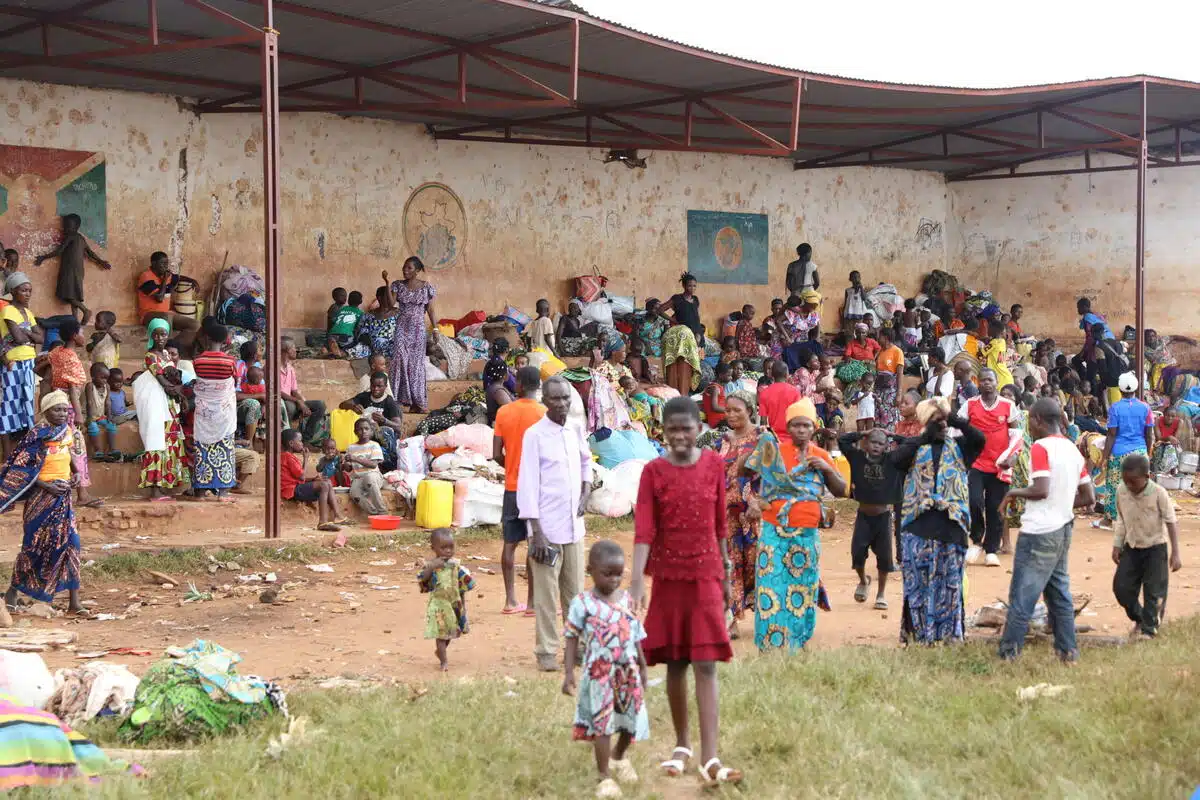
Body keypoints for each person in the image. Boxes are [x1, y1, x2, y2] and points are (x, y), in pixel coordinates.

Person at [629, 396, 740, 786]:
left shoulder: (713, 466)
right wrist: (635, 582)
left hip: (707, 573)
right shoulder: (652, 472)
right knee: (675, 662)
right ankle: (682, 744)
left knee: (706, 664)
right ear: (662, 431)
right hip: (669, 577)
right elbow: (644, 530)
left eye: (686, 428)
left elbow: (720, 525)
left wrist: (726, 574)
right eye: (672, 429)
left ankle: (710, 755)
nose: (679, 435)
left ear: (699, 430)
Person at [744, 398, 847, 651]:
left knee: (802, 586)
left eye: (806, 425)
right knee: (771, 585)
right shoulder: (774, 451)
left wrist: (827, 468)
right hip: (773, 532)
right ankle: (771, 644)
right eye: (796, 425)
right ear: (788, 428)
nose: (801, 430)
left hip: (806, 534)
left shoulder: (820, 456)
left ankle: (796, 640)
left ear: (814, 428)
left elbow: (841, 490)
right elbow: (748, 475)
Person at [996, 398, 1094, 662]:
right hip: (1063, 528)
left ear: (1038, 419)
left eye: (1030, 420)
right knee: (1058, 592)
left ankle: (1008, 654)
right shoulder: (1074, 450)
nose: (1028, 425)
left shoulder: (1040, 448)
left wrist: (1012, 493)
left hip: (1039, 531)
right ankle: (1068, 650)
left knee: (1022, 595)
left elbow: (1040, 489)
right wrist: (1061, 501)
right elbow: (1088, 497)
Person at [893, 398, 986, 644]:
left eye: (944, 421)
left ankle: (949, 636)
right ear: (924, 422)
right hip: (918, 525)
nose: (942, 425)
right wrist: (924, 437)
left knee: (951, 584)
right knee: (917, 585)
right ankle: (918, 635)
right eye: (936, 421)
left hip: (951, 525)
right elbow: (895, 462)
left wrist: (953, 417)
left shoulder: (959, 447)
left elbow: (980, 440)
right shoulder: (913, 445)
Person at [562, 540, 649, 799]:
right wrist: (568, 673)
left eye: (618, 574)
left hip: (627, 671)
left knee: (630, 720)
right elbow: (571, 637)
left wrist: (643, 666)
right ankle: (604, 777)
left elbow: (635, 634)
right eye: (607, 574)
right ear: (590, 571)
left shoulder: (627, 600)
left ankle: (618, 757)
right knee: (603, 724)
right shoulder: (583, 603)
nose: (613, 579)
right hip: (599, 674)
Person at [518, 376, 592, 672]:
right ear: (544, 401)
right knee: (547, 597)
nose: (561, 404)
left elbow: (586, 462)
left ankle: (578, 649)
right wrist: (536, 533)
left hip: (574, 527)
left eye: (565, 398)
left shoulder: (575, 429)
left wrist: (586, 492)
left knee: (574, 593)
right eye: (555, 399)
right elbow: (527, 484)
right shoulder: (535, 435)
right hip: (545, 530)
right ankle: (546, 652)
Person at [0, 391, 83, 617]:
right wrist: (46, 486)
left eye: (65, 409)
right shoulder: (36, 435)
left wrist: (75, 474)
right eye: (57, 409)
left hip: (63, 496)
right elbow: (22, 468)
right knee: (34, 547)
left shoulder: (67, 432)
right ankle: (12, 592)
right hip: (41, 499)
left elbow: (67, 457)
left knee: (72, 544)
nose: (62, 413)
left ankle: (75, 603)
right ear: (45, 411)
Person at [1111, 454, 1182, 639]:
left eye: (1133, 481)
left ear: (1147, 477)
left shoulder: (1159, 493)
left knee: (1154, 592)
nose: (1129, 486)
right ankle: (1141, 618)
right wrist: (1117, 544)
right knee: (1122, 588)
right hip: (1132, 547)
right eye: (1126, 481)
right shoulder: (1121, 491)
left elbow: (1171, 521)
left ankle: (1149, 631)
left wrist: (1175, 552)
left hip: (1155, 547)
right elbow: (1121, 519)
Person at [493, 367, 544, 616]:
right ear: (538, 386)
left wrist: (512, 466)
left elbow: (495, 454)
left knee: (510, 544)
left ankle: (510, 600)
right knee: (535, 543)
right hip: (537, 489)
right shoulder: (545, 414)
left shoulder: (504, 412)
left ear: (520, 385)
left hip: (512, 486)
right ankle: (533, 603)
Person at [959, 368, 1021, 567]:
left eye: (990, 379)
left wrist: (1013, 457)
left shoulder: (1008, 406)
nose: (987, 383)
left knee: (995, 508)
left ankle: (991, 550)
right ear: (978, 383)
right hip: (976, 464)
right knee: (974, 501)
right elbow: (956, 429)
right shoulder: (970, 405)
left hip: (999, 466)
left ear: (996, 382)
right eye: (983, 380)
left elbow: (1017, 436)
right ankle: (976, 540)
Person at [839, 428, 904, 609]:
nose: (876, 446)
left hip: (883, 517)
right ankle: (863, 580)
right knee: (857, 553)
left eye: (881, 443)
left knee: (884, 558)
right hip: (863, 516)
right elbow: (843, 441)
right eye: (873, 442)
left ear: (886, 446)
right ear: (866, 444)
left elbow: (909, 445)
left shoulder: (891, 461)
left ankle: (881, 593)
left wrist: (892, 435)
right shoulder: (857, 458)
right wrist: (862, 433)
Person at [716, 391, 762, 639]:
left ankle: (769, 615)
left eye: (737, 410)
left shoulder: (763, 436)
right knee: (730, 565)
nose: (731, 415)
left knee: (757, 564)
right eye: (728, 410)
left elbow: (774, 472)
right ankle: (731, 619)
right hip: (728, 513)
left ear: (750, 410)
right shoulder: (722, 439)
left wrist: (759, 501)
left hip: (755, 514)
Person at [134, 318, 187, 501]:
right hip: (157, 405)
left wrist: (178, 391)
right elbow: (164, 382)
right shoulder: (150, 356)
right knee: (155, 444)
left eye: (163, 333)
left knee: (167, 445)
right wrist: (180, 392)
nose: (159, 337)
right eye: (155, 334)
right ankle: (154, 491)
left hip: (169, 407)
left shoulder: (165, 354)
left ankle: (163, 486)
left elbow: (174, 379)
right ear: (151, 335)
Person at [1098, 372, 1154, 528]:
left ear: (1120, 390)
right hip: (1140, 451)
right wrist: (1147, 453)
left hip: (1119, 453)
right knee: (1141, 486)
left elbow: (1111, 435)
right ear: (1135, 388)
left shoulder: (1115, 408)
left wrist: (1104, 457)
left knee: (1114, 486)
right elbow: (1149, 435)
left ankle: (1109, 520)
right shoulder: (1145, 407)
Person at [32, 213, 110, 324]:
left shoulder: (71, 236)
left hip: (69, 268)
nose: (66, 228)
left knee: (68, 293)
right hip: (78, 269)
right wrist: (101, 261)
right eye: (65, 225)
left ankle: (85, 310)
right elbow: (90, 253)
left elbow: (59, 251)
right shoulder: (80, 238)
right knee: (74, 293)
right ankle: (75, 320)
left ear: (76, 227)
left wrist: (43, 257)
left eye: (69, 226)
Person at [190, 325, 238, 501]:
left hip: (204, 412)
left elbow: (200, 380)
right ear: (226, 340)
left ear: (208, 339)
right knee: (224, 449)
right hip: (223, 412)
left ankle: (201, 493)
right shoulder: (230, 361)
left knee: (202, 448)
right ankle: (223, 493)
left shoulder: (197, 360)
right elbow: (235, 380)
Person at [384, 258, 438, 413]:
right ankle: (398, 400)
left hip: (418, 330)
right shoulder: (397, 285)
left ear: (417, 270)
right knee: (399, 359)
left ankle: (417, 402)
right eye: (404, 267)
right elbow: (390, 304)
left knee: (416, 364)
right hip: (402, 327)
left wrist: (435, 330)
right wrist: (387, 283)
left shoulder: (426, 287)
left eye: (409, 268)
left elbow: (431, 310)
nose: (405, 270)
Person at [418, 528, 476, 671]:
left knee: (452, 633)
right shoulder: (432, 566)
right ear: (434, 548)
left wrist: (463, 604)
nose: (448, 551)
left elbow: (465, 584)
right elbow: (422, 579)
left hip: (454, 604)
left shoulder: (456, 566)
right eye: (443, 548)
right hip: (439, 606)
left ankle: (440, 652)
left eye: (451, 547)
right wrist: (431, 567)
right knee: (441, 634)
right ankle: (444, 661)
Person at [0, 273, 43, 452]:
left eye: (29, 291)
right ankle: (6, 456)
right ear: (13, 291)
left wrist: (25, 333)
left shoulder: (28, 313)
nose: (27, 294)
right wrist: (28, 335)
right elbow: (17, 338)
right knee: (9, 406)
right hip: (14, 363)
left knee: (26, 405)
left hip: (28, 363)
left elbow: (40, 338)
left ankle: (22, 453)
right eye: (23, 290)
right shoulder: (8, 310)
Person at [280, 428, 346, 532]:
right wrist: (306, 459)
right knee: (323, 485)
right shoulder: (287, 457)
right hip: (291, 490)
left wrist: (313, 479)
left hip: (295, 486)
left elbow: (298, 477)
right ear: (291, 443)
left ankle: (337, 515)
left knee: (327, 482)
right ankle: (322, 522)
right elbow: (301, 476)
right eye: (300, 441)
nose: (302, 444)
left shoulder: (289, 456)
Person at [134, 251, 200, 351]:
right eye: (162, 263)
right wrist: (164, 280)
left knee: (195, 325)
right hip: (148, 314)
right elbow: (159, 298)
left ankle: (172, 345)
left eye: (166, 263)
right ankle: (165, 349)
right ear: (154, 264)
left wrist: (192, 281)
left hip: (167, 314)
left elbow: (177, 277)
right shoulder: (146, 277)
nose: (165, 266)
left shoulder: (167, 275)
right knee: (166, 317)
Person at [340, 371, 404, 472]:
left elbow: (398, 427)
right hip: (366, 435)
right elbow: (342, 405)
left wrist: (384, 420)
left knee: (383, 430)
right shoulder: (364, 397)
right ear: (370, 384)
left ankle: (389, 466)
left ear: (385, 386)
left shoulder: (389, 402)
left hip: (384, 440)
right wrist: (353, 406)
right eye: (373, 386)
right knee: (362, 428)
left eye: (379, 386)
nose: (375, 389)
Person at [279, 337, 327, 445]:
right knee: (289, 407)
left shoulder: (290, 368)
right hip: (280, 402)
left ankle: (306, 440)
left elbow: (294, 390)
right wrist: (298, 402)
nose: (296, 350)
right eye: (293, 347)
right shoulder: (273, 367)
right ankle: (287, 441)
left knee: (320, 405)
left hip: (292, 400)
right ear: (286, 350)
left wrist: (302, 403)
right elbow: (278, 392)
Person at [663, 274, 704, 395]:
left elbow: (697, 317)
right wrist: (674, 320)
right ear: (684, 286)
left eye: (694, 286)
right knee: (683, 363)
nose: (692, 288)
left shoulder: (695, 300)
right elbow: (660, 309)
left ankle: (686, 391)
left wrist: (699, 334)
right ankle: (678, 390)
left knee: (694, 364)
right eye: (690, 285)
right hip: (684, 336)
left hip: (696, 334)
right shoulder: (677, 299)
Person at [344, 418, 388, 516]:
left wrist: (355, 459)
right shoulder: (351, 447)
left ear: (371, 431)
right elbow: (349, 468)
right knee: (354, 493)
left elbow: (373, 465)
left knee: (369, 478)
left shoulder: (374, 445)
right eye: (360, 429)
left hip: (374, 477)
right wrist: (345, 464)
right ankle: (374, 513)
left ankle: (382, 511)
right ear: (355, 432)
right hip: (358, 478)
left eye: (366, 428)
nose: (363, 431)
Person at [346, 286, 400, 360]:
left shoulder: (398, 314)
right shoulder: (368, 315)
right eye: (388, 297)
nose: (391, 299)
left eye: (391, 297)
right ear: (379, 298)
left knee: (399, 351)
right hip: (371, 347)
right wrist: (372, 344)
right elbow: (362, 332)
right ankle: (340, 353)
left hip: (390, 347)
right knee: (358, 349)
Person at [757, 360, 800, 438]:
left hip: (774, 437)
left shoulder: (764, 393)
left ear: (772, 374)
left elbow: (763, 421)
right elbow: (798, 417)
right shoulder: (795, 392)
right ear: (787, 374)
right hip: (791, 436)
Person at [327, 289, 363, 358]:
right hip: (345, 337)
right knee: (355, 344)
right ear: (361, 302)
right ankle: (341, 352)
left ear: (348, 300)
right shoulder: (360, 313)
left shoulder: (342, 309)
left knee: (334, 340)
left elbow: (334, 321)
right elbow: (358, 328)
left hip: (332, 334)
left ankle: (332, 347)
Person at [1151, 406, 1183, 474]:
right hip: (1159, 444)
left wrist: (1170, 439)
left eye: (1173, 416)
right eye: (1167, 415)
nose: (1170, 418)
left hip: (1172, 445)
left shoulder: (1179, 422)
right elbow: (1158, 437)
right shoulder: (1157, 420)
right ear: (1164, 414)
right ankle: (1159, 472)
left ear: (1176, 416)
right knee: (1159, 449)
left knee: (1171, 449)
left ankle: (1172, 471)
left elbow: (1175, 440)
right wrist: (1169, 437)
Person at [702, 362, 730, 429]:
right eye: (729, 375)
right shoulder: (715, 388)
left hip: (720, 418)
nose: (731, 377)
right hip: (717, 421)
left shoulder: (714, 386)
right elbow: (714, 407)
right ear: (720, 375)